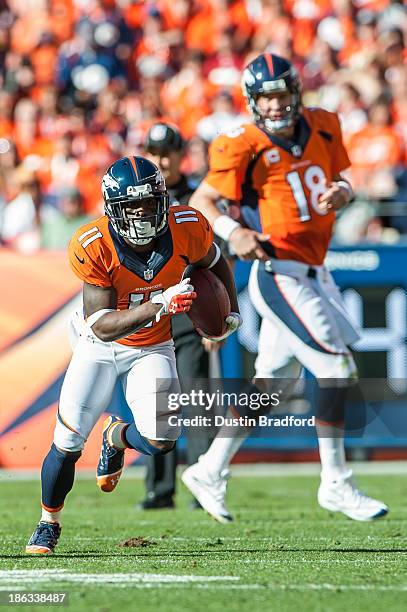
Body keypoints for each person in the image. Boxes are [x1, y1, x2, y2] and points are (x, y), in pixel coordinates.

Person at [184, 53, 389, 524]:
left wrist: (343, 192)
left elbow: (341, 180)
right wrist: (231, 231)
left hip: (316, 269)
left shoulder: (324, 125)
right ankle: (336, 481)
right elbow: (203, 198)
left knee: (272, 382)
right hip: (277, 270)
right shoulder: (242, 143)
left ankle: (209, 468)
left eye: (280, 94)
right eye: (266, 97)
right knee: (335, 364)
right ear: (253, 102)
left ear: (295, 93)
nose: (275, 105)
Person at [25, 155, 241, 554]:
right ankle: (48, 522)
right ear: (113, 210)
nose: (143, 215)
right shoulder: (94, 243)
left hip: (152, 347)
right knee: (68, 442)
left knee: (163, 438)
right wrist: (160, 302)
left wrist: (230, 311)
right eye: (132, 208)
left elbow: (215, 262)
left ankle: (116, 435)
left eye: (149, 204)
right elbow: (100, 324)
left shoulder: (186, 227)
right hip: (100, 347)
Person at [136, 122, 216, 510]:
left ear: (181, 155)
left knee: (197, 398)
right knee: (159, 401)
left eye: (167, 152)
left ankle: (203, 481)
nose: (162, 160)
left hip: (187, 314)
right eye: (155, 152)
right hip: (152, 313)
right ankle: (159, 488)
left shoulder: (197, 196)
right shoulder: (136, 199)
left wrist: (212, 317)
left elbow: (210, 261)